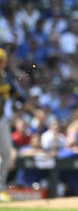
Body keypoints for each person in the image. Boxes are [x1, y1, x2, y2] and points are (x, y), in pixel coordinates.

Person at [0, 48, 24, 202]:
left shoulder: (6, 79)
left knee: (7, 154)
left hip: (2, 120)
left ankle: (0, 187)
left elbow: (21, 97)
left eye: (1, 61)